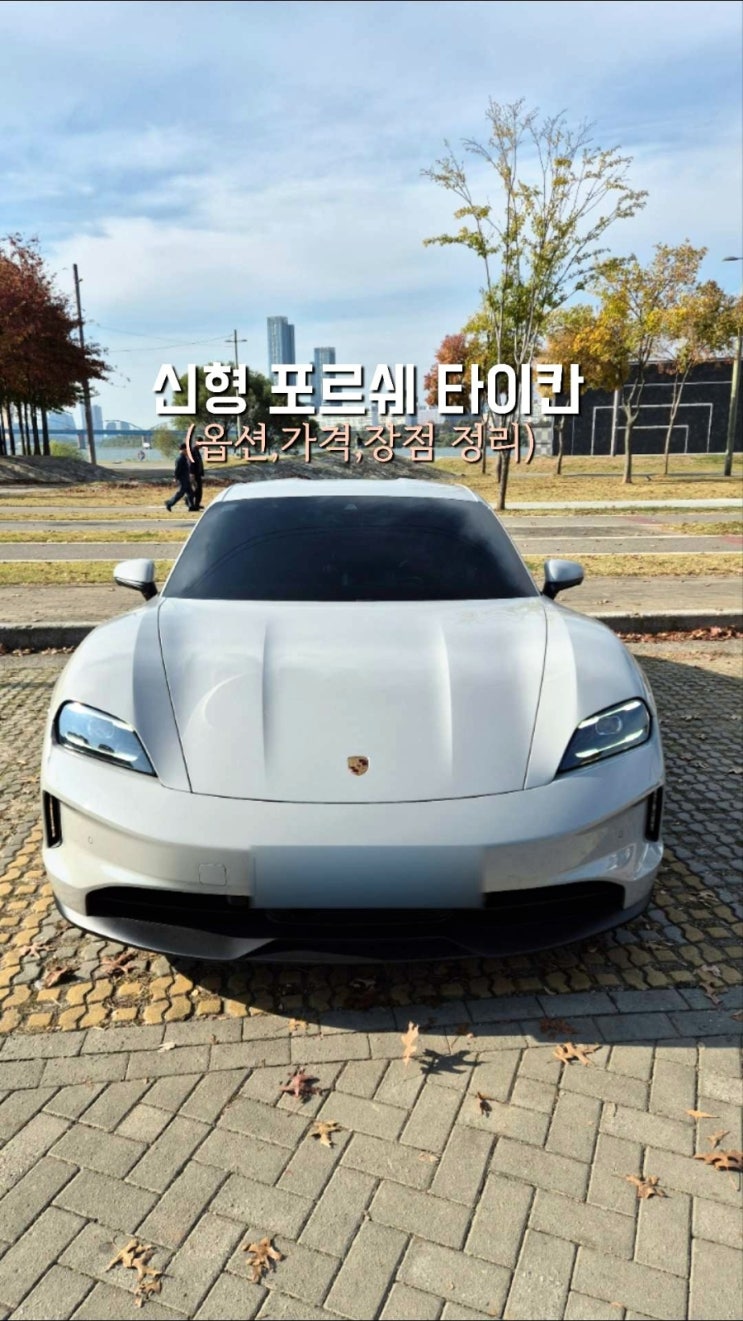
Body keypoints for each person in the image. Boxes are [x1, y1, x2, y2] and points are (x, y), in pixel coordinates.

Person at [165, 443, 194, 511]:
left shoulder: (184, 458)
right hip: (182, 479)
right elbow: (177, 469)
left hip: (186, 478)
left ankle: (191, 506)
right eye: (187, 450)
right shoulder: (180, 458)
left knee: (190, 493)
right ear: (184, 450)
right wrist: (175, 477)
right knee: (180, 493)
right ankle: (169, 503)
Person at [189, 440, 205, 510]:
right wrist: (192, 473)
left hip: (198, 473)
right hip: (194, 474)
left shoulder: (197, 451)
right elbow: (191, 463)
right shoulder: (193, 451)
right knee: (196, 490)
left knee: (199, 490)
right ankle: (189, 501)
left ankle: (197, 504)